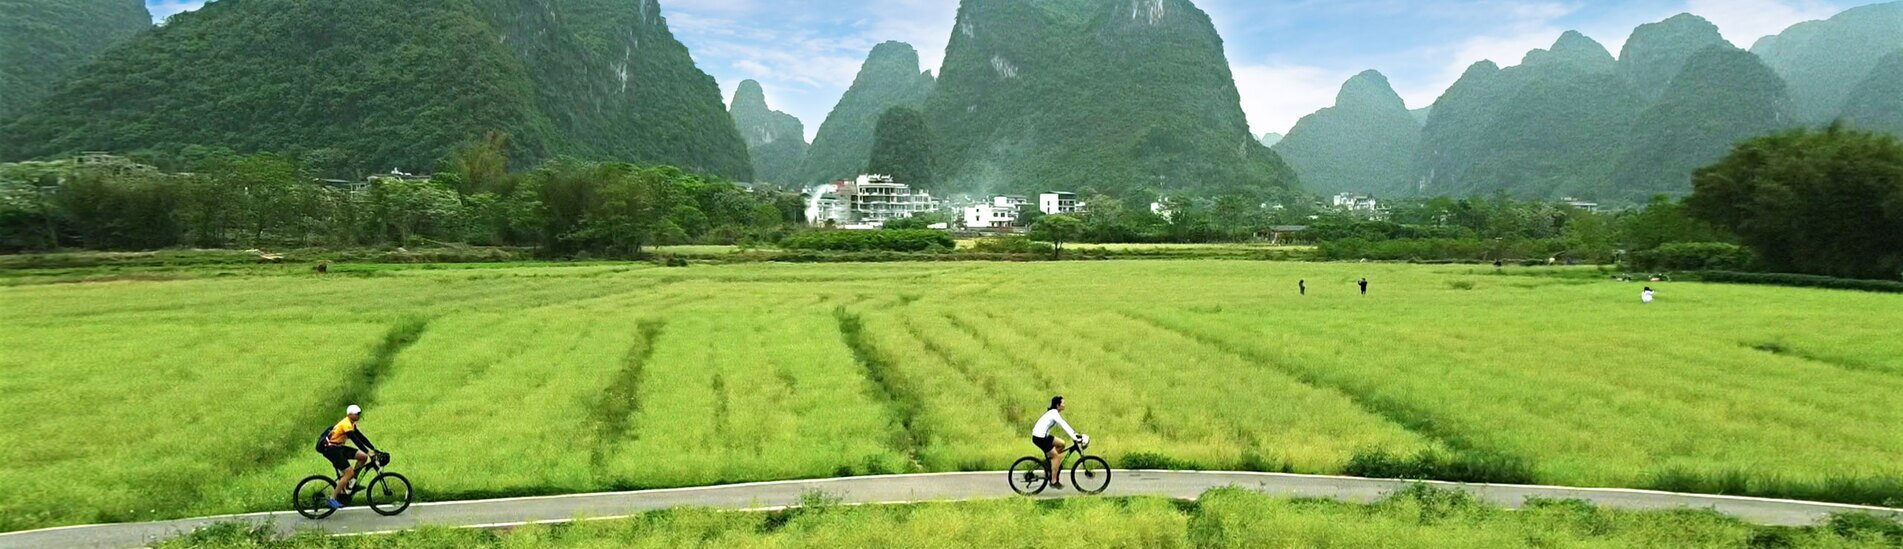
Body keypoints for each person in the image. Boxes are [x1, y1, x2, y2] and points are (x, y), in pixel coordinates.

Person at [316, 404, 379, 509]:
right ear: (350, 414)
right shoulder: (346, 424)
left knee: (363, 457)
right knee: (348, 472)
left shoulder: (351, 423)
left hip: (339, 447)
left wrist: (373, 449)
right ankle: (332, 498)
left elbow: (361, 437)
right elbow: (355, 440)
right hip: (331, 450)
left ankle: (351, 484)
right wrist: (368, 451)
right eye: (357, 414)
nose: (359, 416)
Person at [1031, 396, 1086, 489]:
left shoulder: (1053, 412)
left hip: (1043, 436)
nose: (1064, 405)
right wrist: (1075, 437)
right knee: (1057, 456)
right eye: (1063, 403)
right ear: (1058, 405)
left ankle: (1052, 463)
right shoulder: (1054, 414)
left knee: (1062, 443)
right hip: (1039, 438)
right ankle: (1053, 481)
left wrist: (1075, 434)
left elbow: (1065, 425)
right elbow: (1063, 425)